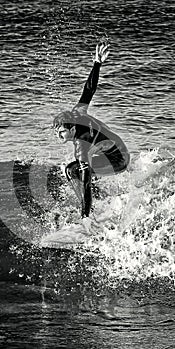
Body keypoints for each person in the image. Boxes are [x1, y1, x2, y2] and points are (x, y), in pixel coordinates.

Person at [52, 36, 130, 219]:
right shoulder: (76, 114)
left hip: (119, 160)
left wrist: (84, 219)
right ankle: (98, 201)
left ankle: (88, 214)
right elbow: (89, 90)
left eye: (62, 132)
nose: (58, 135)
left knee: (73, 171)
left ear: (72, 130)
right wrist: (97, 63)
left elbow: (85, 184)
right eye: (56, 131)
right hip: (114, 148)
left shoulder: (82, 147)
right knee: (74, 170)